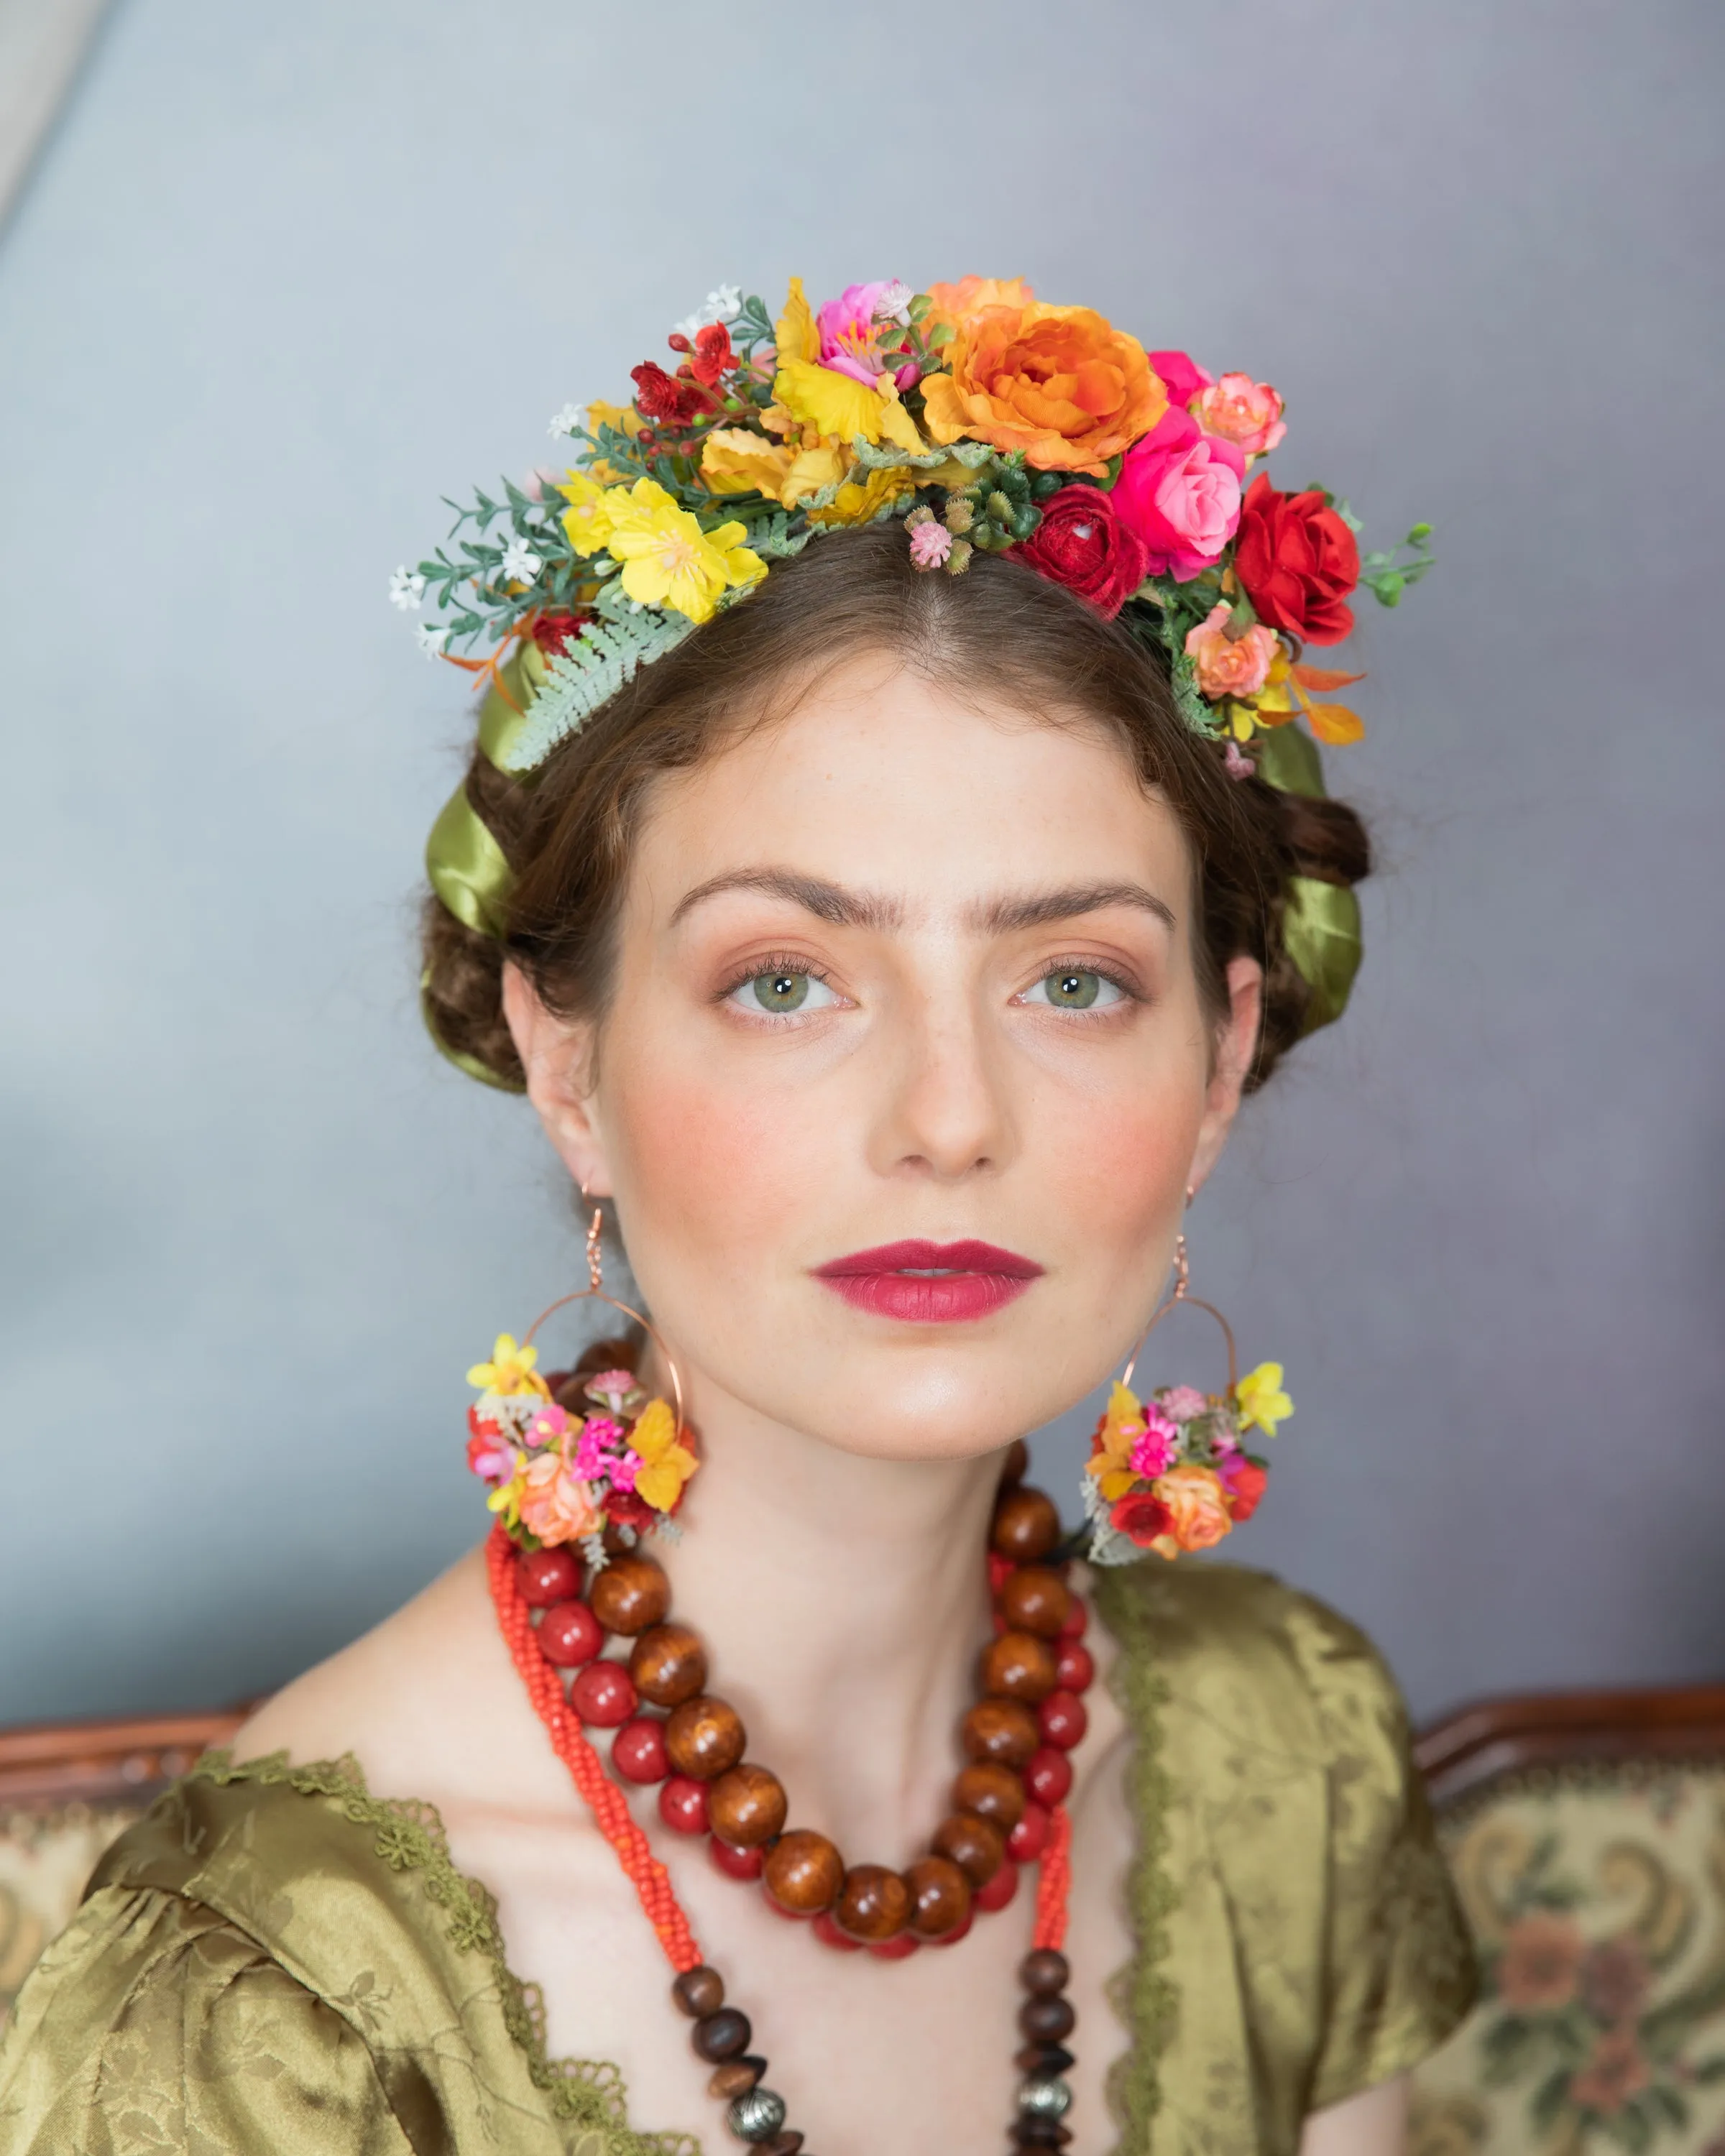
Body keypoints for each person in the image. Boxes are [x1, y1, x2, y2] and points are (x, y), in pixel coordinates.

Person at [0, 277, 1471, 2155]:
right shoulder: (257, 2007)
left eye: (1075, 980)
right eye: (787, 980)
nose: (949, 1120)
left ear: (1217, 1057)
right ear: (566, 1060)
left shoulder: (1293, 1761)